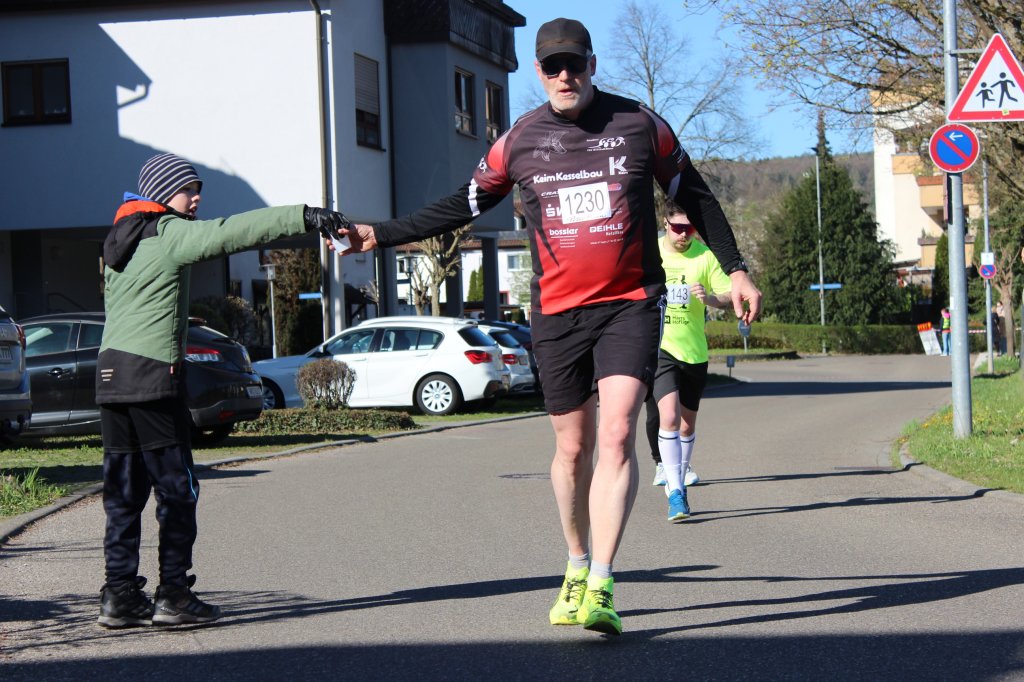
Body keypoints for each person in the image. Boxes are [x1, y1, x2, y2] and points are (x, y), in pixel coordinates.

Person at [334, 18, 760, 635]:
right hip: (558, 313)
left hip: (629, 302)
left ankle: (603, 584)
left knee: (617, 432)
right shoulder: (518, 142)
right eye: (553, 66)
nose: (565, 76)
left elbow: (695, 195)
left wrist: (736, 269)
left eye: (575, 64)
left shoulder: (640, 125)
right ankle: (577, 563)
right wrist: (380, 233)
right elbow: (462, 204)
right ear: (538, 71)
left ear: (592, 64)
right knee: (572, 448)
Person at [96, 152, 350, 628]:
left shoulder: (116, 240)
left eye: (198, 191)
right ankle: (173, 595)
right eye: (187, 190)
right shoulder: (168, 232)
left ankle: (119, 595)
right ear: (161, 193)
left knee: (123, 491)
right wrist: (304, 216)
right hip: (152, 378)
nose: (196, 199)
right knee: (177, 489)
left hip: (111, 377)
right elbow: (235, 231)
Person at [644, 202, 732, 521]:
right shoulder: (650, 252)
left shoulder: (705, 256)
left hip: (694, 351)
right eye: (678, 228)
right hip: (661, 348)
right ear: (665, 223)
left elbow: (729, 295)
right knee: (667, 416)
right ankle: (676, 491)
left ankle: (678, 479)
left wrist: (709, 298)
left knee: (686, 425)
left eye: (690, 229)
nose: (684, 235)